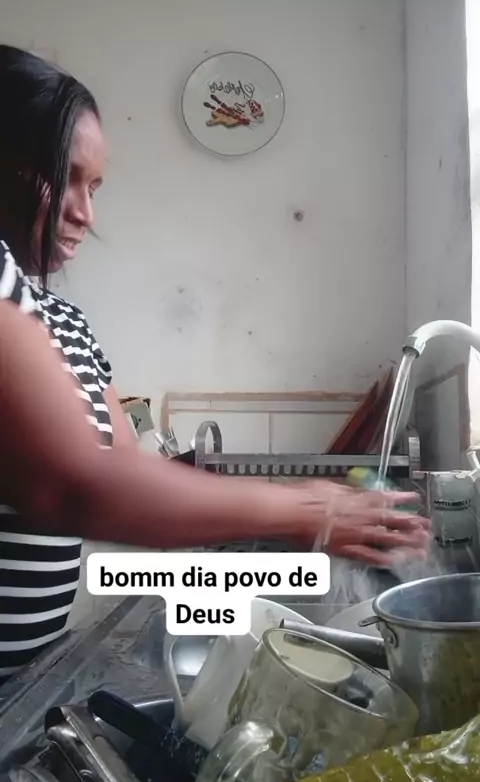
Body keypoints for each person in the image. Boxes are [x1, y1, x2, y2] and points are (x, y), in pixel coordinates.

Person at [0, 45, 429, 680]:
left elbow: (126, 476)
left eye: (94, 187)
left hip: (23, 676)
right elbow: (74, 487)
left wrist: (294, 508)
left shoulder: (66, 322)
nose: (84, 214)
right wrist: (309, 511)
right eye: (63, 177)